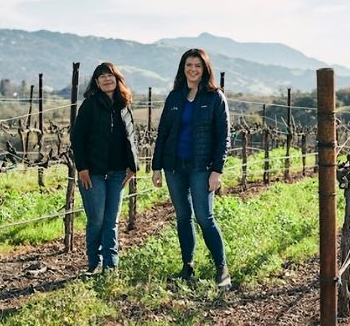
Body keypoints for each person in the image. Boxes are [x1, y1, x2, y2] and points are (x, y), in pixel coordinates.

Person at [152, 48, 231, 288]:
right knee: (183, 217)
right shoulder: (175, 96)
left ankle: (222, 270)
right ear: (183, 67)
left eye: (198, 65)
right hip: (174, 167)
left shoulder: (215, 97)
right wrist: (156, 167)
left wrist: (217, 171)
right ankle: (187, 268)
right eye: (189, 65)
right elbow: (163, 133)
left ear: (205, 68)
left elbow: (223, 137)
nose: (193, 69)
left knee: (204, 217)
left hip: (202, 168)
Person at [71, 62, 138, 275]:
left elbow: (132, 137)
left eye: (110, 75)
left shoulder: (124, 105)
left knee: (112, 220)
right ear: (96, 82)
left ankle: (111, 265)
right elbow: (77, 138)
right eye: (101, 77)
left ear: (117, 79)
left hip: (118, 172)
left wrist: (133, 166)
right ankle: (94, 262)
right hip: (94, 173)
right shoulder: (90, 105)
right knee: (97, 219)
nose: (106, 79)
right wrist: (82, 168)